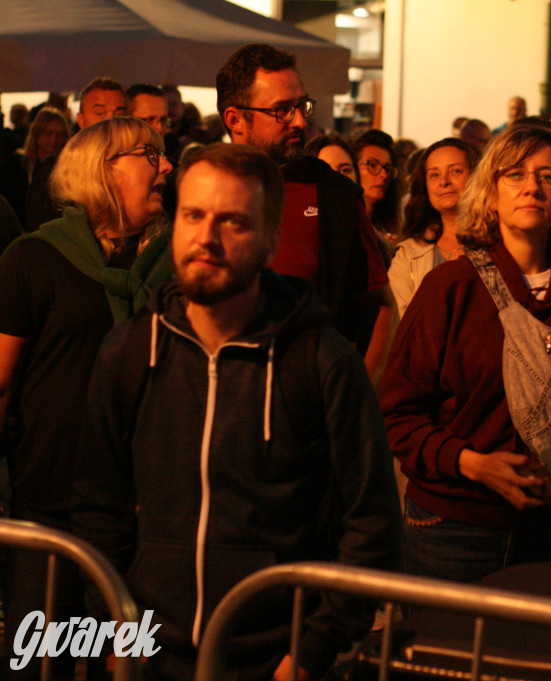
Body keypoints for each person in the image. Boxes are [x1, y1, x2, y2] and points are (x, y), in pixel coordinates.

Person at [72, 143, 401, 681]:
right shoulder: (130, 351)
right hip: (149, 657)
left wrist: (309, 652)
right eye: (194, 215)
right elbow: (95, 506)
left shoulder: (319, 360)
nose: (207, 237)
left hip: (275, 661)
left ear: (272, 240)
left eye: (233, 222)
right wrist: (113, 634)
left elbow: (370, 522)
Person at [379, 124, 551, 584]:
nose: (532, 187)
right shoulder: (450, 289)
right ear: (490, 194)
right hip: (454, 530)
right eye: (515, 174)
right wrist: (473, 464)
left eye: (548, 177)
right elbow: (398, 412)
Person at [0, 116, 173, 679]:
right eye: (149, 155)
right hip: (46, 505)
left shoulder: (173, 267)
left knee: (116, 665)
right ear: (103, 170)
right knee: (38, 663)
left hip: (140, 511)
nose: (166, 167)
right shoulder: (33, 258)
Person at [216, 43, 394, 385]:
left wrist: (358, 395)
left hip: (308, 407)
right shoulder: (193, 190)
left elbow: (380, 305)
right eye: (282, 110)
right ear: (235, 119)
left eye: (302, 106)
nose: (299, 121)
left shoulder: (333, 194)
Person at [389, 137, 481, 317]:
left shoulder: (503, 243)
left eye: (455, 171)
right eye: (434, 174)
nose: (443, 182)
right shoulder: (409, 255)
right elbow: (401, 322)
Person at [25, 77, 127, 231]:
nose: (110, 121)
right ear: (81, 120)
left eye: (118, 114)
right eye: (100, 113)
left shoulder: (135, 165)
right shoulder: (54, 172)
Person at [0, 106, 69, 228]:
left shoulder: (70, 170)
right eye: (48, 133)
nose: (54, 139)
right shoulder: (15, 166)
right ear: (36, 134)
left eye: (59, 134)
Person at [353, 129, 403, 247]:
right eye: (372, 165)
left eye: (387, 168)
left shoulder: (393, 231)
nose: (384, 175)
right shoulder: (341, 226)